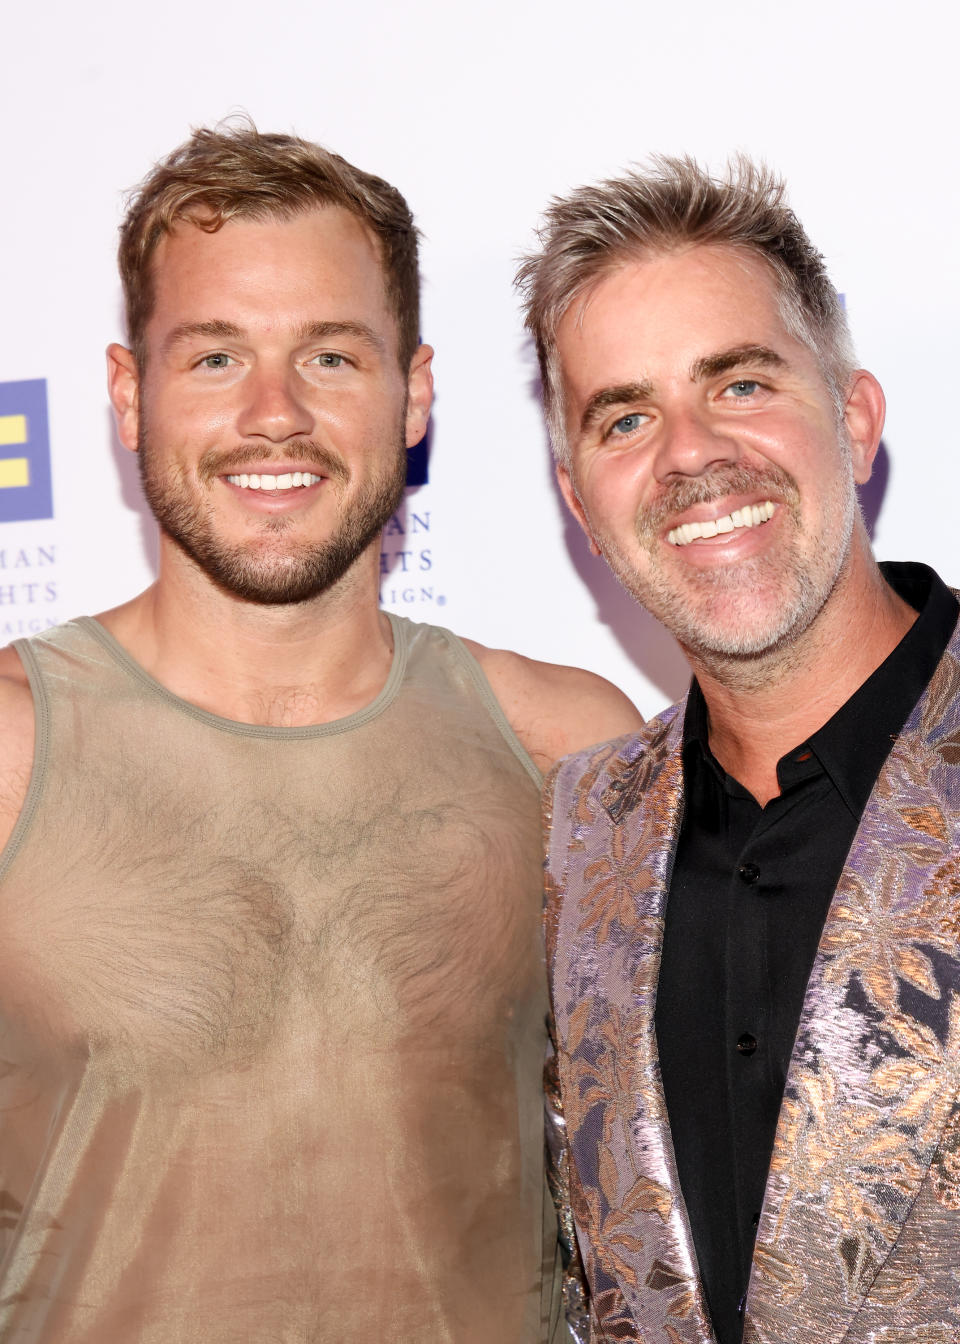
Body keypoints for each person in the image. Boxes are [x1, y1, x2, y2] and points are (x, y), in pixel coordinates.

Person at [0, 124, 641, 1342]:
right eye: (214, 357)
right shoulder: (9, 749)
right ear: (130, 394)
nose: (274, 414)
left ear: (417, 392)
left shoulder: (569, 746)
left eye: (333, 357)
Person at [516, 156, 960, 1343]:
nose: (689, 455)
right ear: (580, 503)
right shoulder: (578, 832)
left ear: (856, 420)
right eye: (625, 415)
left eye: (742, 383)